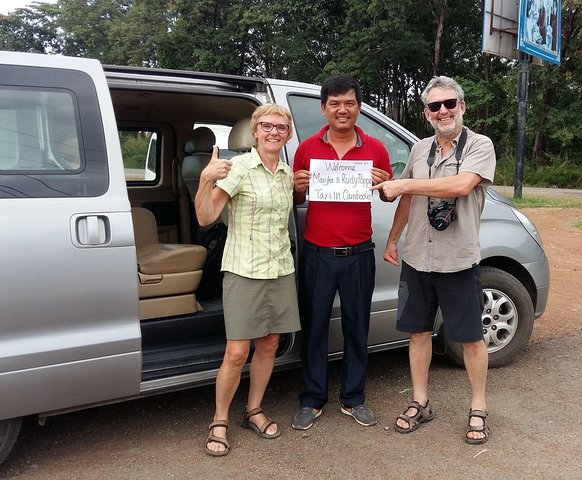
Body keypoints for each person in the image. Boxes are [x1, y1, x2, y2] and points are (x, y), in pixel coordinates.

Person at [371, 76, 496, 444]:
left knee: (471, 339)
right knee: (418, 332)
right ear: (426, 113)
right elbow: (406, 200)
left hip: (457, 259)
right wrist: (394, 238)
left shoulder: (480, 145)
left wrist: (404, 184)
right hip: (416, 257)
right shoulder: (420, 149)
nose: (443, 111)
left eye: (449, 104)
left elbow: (460, 186)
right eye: (435, 106)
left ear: (462, 106)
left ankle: (478, 407)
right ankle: (420, 401)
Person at [195, 104, 301, 456]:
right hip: (243, 270)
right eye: (267, 126)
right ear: (255, 131)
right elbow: (205, 217)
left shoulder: (286, 174)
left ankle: (253, 409)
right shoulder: (238, 168)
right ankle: (219, 419)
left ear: (287, 135)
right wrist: (205, 178)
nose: (274, 132)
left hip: (279, 269)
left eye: (281, 128)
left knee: (270, 344)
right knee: (237, 351)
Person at [291, 74, 393, 430]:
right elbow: (297, 199)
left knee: (356, 327)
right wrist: (297, 188)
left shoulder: (376, 149)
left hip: (359, 253)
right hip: (317, 254)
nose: (342, 109)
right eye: (334, 103)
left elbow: (388, 196)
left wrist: (385, 185)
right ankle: (312, 399)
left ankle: (353, 398)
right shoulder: (306, 149)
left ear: (359, 108)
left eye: (349, 103)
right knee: (315, 328)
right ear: (323, 109)